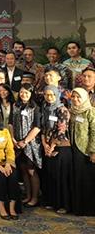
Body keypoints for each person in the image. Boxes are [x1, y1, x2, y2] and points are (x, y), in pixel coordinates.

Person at [40, 85, 72, 214]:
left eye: (52, 95)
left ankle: (63, 205)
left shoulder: (62, 110)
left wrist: (52, 145)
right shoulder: (46, 108)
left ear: (57, 95)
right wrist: (45, 144)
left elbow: (61, 130)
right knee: (51, 176)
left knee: (61, 177)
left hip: (61, 146)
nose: (49, 97)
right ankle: (53, 202)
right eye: (47, 95)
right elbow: (43, 128)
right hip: (48, 146)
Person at [9, 84, 41, 207]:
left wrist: (25, 141)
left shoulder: (35, 107)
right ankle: (27, 196)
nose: (23, 95)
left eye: (27, 92)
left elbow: (37, 127)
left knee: (31, 171)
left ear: (31, 94)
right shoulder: (15, 106)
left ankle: (35, 198)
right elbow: (10, 123)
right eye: (22, 92)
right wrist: (13, 139)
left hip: (31, 144)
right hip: (17, 143)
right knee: (23, 171)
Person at [69, 87, 95, 216]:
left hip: (86, 150)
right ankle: (78, 208)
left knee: (87, 180)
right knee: (76, 178)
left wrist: (93, 151)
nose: (75, 99)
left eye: (78, 97)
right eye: (73, 97)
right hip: (74, 149)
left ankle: (89, 209)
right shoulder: (72, 111)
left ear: (84, 97)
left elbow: (94, 132)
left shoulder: (90, 111)